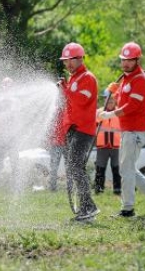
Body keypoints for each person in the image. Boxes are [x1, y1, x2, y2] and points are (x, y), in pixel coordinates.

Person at [98, 42, 145, 218]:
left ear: (137, 60)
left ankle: (128, 209)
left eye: (129, 60)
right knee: (127, 168)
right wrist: (113, 92)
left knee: (126, 169)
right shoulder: (127, 80)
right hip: (128, 130)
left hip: (136, 130)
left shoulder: (142, 80)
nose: (125, 64)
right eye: (123, 60)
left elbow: (132, 106)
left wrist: (109, 115)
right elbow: (121, 100)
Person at [58, 42, 100, 222]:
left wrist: (65, 90)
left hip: (84, 130)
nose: (68, 64)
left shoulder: (87, 78)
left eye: (71, 61)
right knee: (75, 167)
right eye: (65, 61)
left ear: (80, 59)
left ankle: (89, 207)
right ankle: (86, 208)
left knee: (75, 166)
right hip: (74, 130)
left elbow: (81, 101)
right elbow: (69, 105)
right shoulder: (73, 79)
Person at [0, 77, 20, 191]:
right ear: (2, 87)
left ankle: (16, 186)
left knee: (14, 162)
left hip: (13, 136)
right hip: (0, 136)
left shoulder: (15, 100)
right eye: (5, 85)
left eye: (10, 86)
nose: (7, 88)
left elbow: (16, 116)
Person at [94, 90, 121, 194]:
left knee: (116, 168)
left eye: (112, 100)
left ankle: (117, 189)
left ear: (115, 101)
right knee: (100, 168)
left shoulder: (119, 112)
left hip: (116, 146)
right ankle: (99, 189)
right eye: (108, 100)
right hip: (102, 146)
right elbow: (97, 119)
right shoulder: (99, 112)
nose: (109, 102)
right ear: (104, 100)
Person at [47, 94, 66, 192]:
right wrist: (50, 139)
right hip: (56, 143)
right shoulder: (53, 111)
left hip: (66, 142)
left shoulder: (68, 111)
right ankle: (52, 187)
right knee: (54, 166)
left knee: (70, 166)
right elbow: (50, 127)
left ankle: (70, 188)